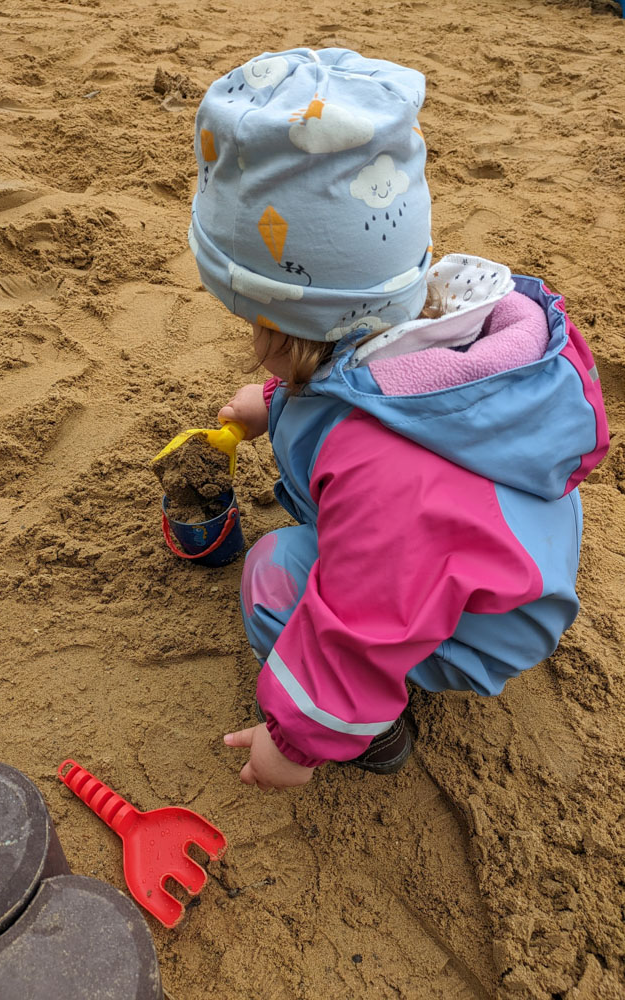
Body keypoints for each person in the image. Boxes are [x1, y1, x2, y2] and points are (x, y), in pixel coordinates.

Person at [186, 47, 609, 791]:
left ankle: (371, 735)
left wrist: (296, 741)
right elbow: (365, 379)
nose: (251, 341)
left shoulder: (380, 467)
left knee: (272, 578)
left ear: (279, 332)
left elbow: (363, 622)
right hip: (506, 559)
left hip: (475, 617)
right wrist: (276, 402)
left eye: (252, 323)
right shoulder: (439, 327)